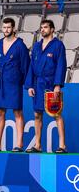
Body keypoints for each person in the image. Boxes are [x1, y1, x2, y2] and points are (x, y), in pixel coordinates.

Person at [24, 20, 67, 153]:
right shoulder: (36, 46)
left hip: (50, 83)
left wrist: (57, 85)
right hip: (37, 84)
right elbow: (31, 66)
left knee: (56, 114)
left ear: (52, 29)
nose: (42, 30)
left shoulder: (58, 46)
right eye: (41, 28)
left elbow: (61, 65)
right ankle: (37, 145)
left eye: (45, 27)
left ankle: (62, 145)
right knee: (37, 114)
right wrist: (30, 85)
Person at [0, 18, 30, 152]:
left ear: (14, 29)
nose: (6, 30)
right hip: (2, 82)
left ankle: (19, 144)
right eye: (4, 28)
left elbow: (26, 66)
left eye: (8, 28)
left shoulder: (20, 45)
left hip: (14, 82)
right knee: (0, 112)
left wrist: (23, 83)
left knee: (17, 112)